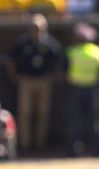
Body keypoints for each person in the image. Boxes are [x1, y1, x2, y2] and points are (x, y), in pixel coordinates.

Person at [6, 13, 62, 151]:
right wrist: (14, 75)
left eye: (39, 28)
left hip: (44, 80)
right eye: (33, 28)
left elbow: (59, 60)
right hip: (26, 80)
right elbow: (10, 59)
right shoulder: (22, 42)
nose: (36, 31)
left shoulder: (50, 43)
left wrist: (54, 76)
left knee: (42, 112)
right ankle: (25, 143)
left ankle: (40, 143)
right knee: (25, 112)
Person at [65, 22, 99, 157]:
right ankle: (98, 151)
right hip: (93, 89)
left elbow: (64, 70)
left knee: (75, 121)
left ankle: (73, 151)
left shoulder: (71, 52)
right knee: (95, 122)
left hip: (76, 89)